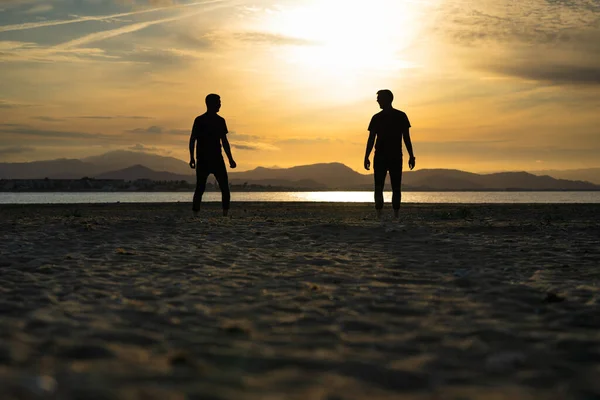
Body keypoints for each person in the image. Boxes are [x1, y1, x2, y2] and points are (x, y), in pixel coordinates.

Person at [364, 89, 415, 219]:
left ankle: (392, 214)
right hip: (387, 156)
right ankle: (383, 214)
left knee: (390, 186)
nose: (377, 100)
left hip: (391, 156)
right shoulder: (381, 117)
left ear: (387, 99)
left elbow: (406, 138)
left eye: (379, 98)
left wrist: (411, 155)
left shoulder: (398, 116)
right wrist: (366, 156)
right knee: (385, 186)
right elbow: (371, 139)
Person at [189, 93, 237, 216]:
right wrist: (192, 158)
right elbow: (193, 139)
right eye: (218, 102)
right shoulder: (200, 120)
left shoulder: (220, 121)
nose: (220, 105)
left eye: (220, 102)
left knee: (223, 187)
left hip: (215, 158)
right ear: (210, 104)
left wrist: (231, 159)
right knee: (201, 187)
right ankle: (196, 213)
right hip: (205, 159)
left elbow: (224, 142)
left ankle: (224, 213)